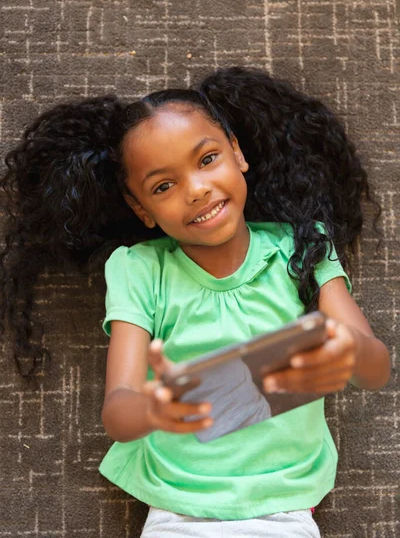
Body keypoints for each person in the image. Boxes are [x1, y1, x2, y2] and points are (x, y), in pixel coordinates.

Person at [0, 66, 391, 537]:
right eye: (164, 186)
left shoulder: (304, 247)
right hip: (179, 511)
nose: (197, 189)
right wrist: (154, 409)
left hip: (284, 508)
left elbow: (376, 369)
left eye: (207, 159)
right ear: (142, 209)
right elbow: (119, 413)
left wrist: (347, 351)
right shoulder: (141, 269)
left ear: (237, 151)